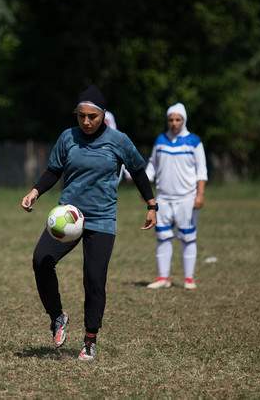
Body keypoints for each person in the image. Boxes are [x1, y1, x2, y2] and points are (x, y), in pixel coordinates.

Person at [20, 85, 158, 361]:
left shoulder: (119, 141)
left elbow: (139, 172)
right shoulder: (68, 138)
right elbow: (54, 170)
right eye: (81, 116)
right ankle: (57, 317)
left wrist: (151, 204)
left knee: (94, 280)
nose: (85, 122)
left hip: (101, 219)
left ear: (103, 115)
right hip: (67, 216)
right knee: (40, 260)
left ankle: (90, 340)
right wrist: (35, 191)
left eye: (92, 117)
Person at [145, 102, 207, 290]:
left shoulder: (194, 141)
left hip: (186, 198)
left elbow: (201, 171)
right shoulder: (161, 140)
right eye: (171, 119)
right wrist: (143, 185)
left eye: (178, 119)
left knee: (187, 237)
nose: (174, 123)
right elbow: (152, 165)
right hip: (163, 198)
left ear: (184, 120)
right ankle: (163, 278)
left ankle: (188, 279)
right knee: (163, 236)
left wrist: (200, 195)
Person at [104, 110, 132, 183]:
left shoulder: (119, 139)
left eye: (106, 121)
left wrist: (129, 174)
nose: (104, 123)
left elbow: (126, 157)